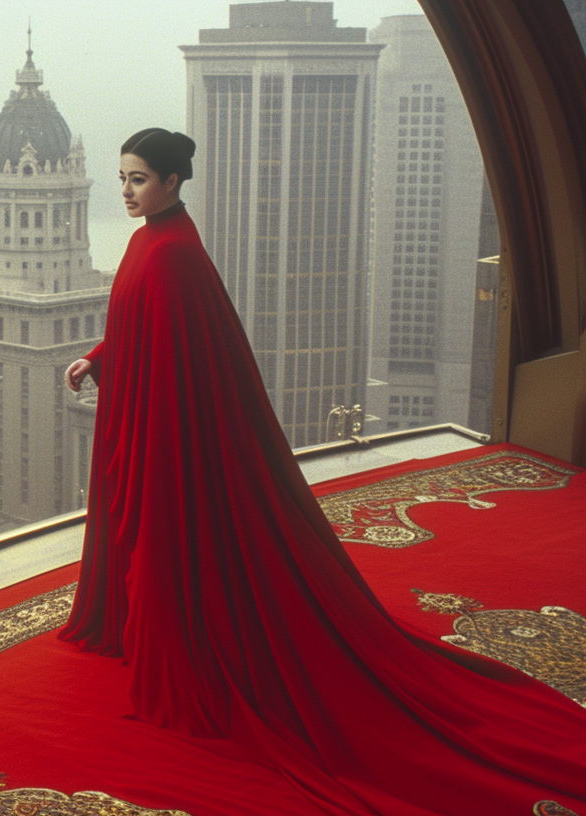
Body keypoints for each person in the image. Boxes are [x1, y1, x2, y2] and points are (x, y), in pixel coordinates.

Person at [57, 127, 586, 815]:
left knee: (169, 542)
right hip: (143, 406)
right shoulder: (152, 243)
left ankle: (185, 643)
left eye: (137, 180)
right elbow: (142, 325)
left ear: (173, 183)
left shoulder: (175, 253)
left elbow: (189, 345)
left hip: (164, 424)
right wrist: (99, 358)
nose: (126, 192)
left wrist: (130, 388)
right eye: (122, 179)